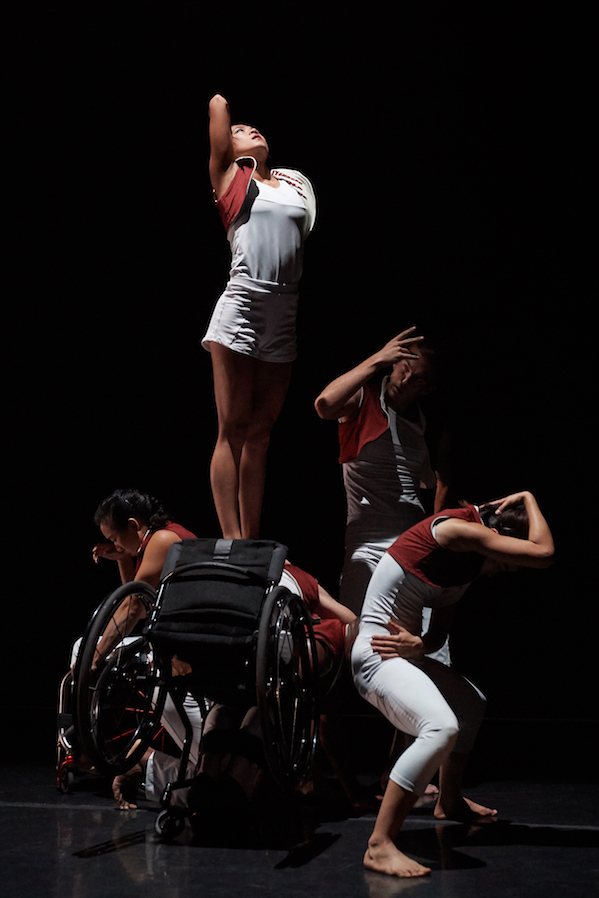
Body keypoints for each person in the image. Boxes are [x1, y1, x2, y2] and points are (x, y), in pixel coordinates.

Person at [351, 490, 554, 878]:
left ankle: (449, 800)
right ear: (500, 537)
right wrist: (528, 497)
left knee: (470, 702)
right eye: (506, 564)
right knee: (441, 727)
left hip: (400, 654)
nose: (500, 572)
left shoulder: (463, 566)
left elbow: (436, 636)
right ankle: (379, 844)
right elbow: (544, 553)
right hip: (376, 655)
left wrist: (420, 644)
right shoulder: (454, 531)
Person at [203, 93, 316, 541]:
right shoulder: (229, 176)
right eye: (238, 131)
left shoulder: (294, 183)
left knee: (261, 433)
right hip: (244, 302)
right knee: (231, 427)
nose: (249, 130)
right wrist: (225, 124)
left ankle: (251, 538)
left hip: (285, 307)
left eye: (253, 128)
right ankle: (231, 540)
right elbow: (217, 104)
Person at [314, 328, 449, 630]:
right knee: (358, 633)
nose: (405, 380)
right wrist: (377, 359)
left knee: (421, 642)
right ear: (395, 361)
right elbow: (324, 404)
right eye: (404, 368)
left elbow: (436, 482)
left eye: (417, 378)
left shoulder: (423, 423)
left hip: (414, 542)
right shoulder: (364, 399)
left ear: (426, 388)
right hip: (367, 543)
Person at [74, 489, 203, 788]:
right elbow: (140, 600)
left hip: (185, 657)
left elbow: (134, 607)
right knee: (82, 647)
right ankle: (85, 741)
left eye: (116, 538)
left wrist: (94, 659)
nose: (113, 544)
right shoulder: (159, 539)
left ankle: (141, 763)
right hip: (172, 645)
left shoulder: (162, 540)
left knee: (206, 771)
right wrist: (123, 558)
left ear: (133, 525)